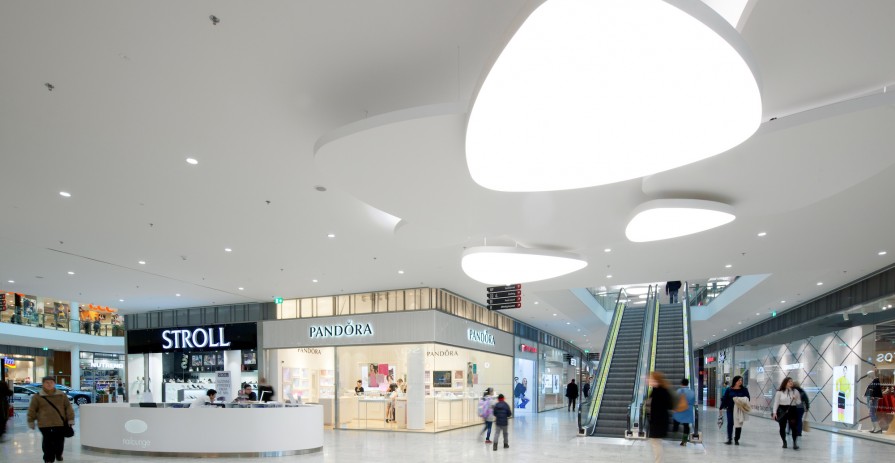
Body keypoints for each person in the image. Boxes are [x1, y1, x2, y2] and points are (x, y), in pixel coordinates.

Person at [27, 376, 75, 463]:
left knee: (59, 442)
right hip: (44, 423)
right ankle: (48, 459)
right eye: (47, 382)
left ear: (54, 384)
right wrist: (31, 421)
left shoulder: (61, 395)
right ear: (43, 384)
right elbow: (32, 409)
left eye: (51, 382)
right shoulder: (37, 397)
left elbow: (68, 408)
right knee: (47, 442)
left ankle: (58, 454)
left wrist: (70, 419)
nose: (49, 384)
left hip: (59, 423)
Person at [648, 371, 672, 463]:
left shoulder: (660, 390)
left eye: (650, 378)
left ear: (655, 380)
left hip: (659, 422)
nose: (649, 380)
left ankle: (658, 462)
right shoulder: (656, 390)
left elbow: (669, 405)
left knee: (656, 443)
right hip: (656, 421)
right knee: (656, 443)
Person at [718, 375, 751, 445]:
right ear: (735, 381)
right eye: (739, 380)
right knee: (730, 423)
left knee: (738, 424)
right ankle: (729, 439)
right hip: (730, 409)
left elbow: (748, 399)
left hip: (739, 410)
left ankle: (736, 439)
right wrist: (721, 407)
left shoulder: (744, 390)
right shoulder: (729, 389)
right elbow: (725, 399)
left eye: (741, 380)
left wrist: (740, 400)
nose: (740, 382)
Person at [772, 377, 802, 449]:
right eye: (789, 381)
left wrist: (796, 399)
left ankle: (795, 443)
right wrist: (774, 412)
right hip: (782, 410)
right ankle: (784, 442)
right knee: (782, 427)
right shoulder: (779, 392)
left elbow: (799, 402)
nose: (791, 383)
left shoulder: (795, 391)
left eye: (791, 381)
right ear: (785, 383)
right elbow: (776, 403)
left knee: (794, 427)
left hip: (792, 409)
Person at [672, 378, 696, 446]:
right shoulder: (691, 392)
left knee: (676, 421)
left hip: (679, 410)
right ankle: (684, 441)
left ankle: (674, 433)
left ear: (681, 384)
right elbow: (693, 402)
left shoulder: (679, 391)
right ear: (687, 384)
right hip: (688, 411)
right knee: (686, 426)